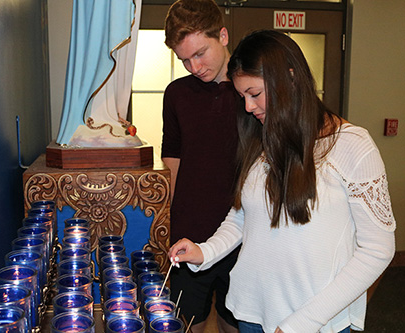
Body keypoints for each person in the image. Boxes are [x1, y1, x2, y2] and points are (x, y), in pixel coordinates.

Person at [168, 30, 396, 333]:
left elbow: (377, 251)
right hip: (251, 313)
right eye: (243, 97)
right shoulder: (264, 140)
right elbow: (242, 215)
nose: (248, 107)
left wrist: (304, 322)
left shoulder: (352, 145)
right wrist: (206, 251)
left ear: (289, 78)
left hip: (314, 323)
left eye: (255, 94)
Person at [161, 0, 243, 332]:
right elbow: (173, 158)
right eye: (184, 60)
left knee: (233, 323)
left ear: (222, 35)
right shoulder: (176, 93)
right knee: (185, 322)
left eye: (200, 54)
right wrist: (168, 219)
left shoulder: (251, 91)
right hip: (190, 232)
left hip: (243, 233)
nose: (194, 66)